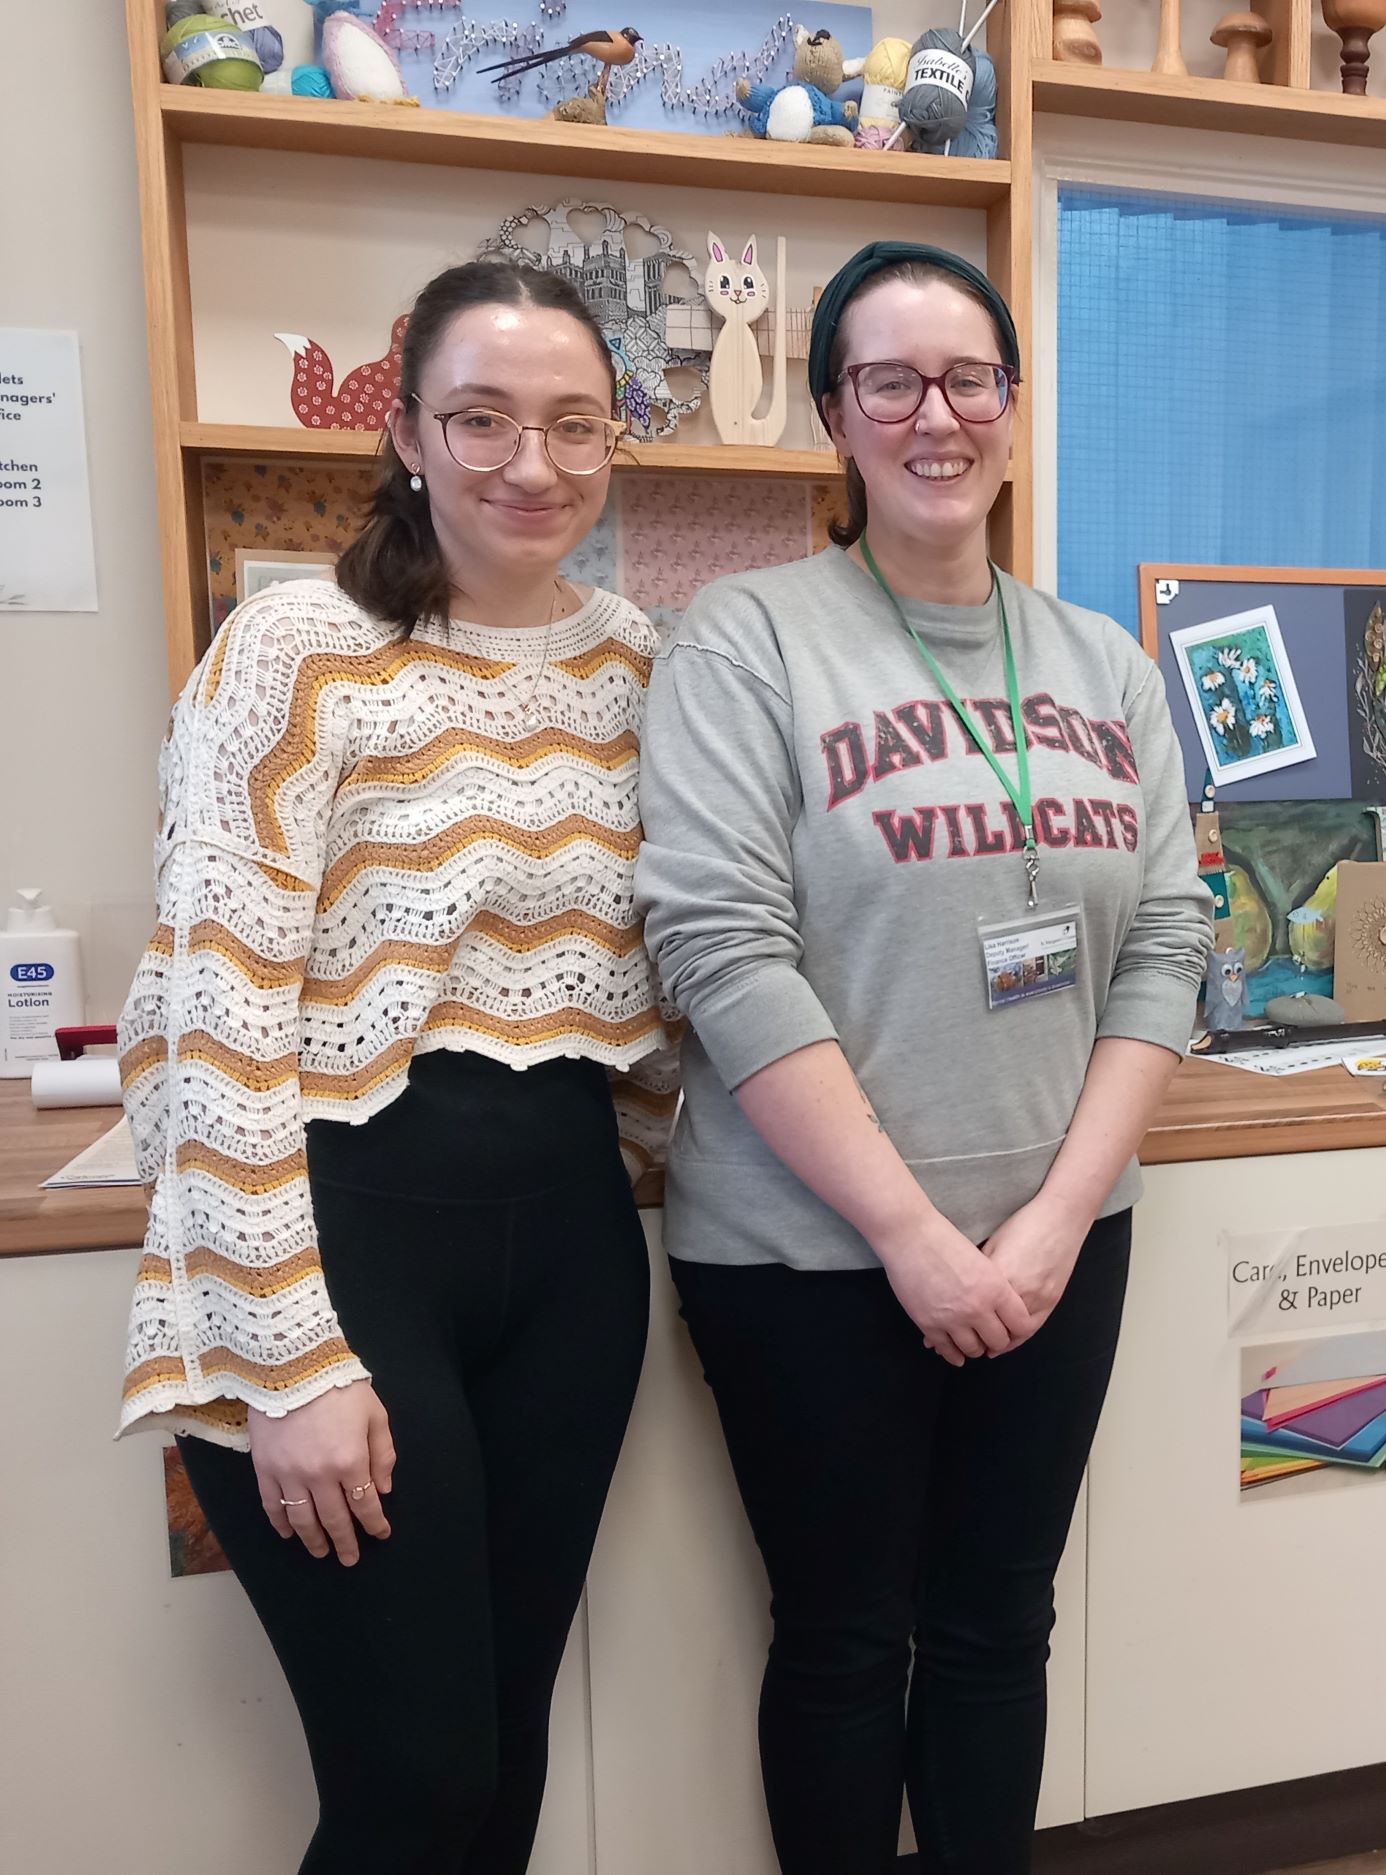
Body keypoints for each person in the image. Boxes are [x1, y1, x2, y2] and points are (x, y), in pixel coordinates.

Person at [635, 242, 1213, 1872]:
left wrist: (1043, 1228)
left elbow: (1166, 948)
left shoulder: (1104, 662)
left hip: (1056, 1249)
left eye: (968, 379)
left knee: (993, 1633)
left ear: (1015, 413)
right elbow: (721, 952)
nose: (933, 414)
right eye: (889, 381)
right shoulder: (746, 642)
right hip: (809, 1259)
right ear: (834, 415)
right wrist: (912, 1239)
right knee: (840, 1642)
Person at [116, 259, 677, 1875]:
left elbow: (672, 979)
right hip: (345, 1242)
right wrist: (286, 1361)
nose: (533, 463)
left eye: (575, 424)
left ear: (615, 439)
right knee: (413, 1790)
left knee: (495, 1782)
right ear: (408, 430)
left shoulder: (634, 663)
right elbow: (217, 1009)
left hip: (568, 1256)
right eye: (483, 418)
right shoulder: (297, 652)